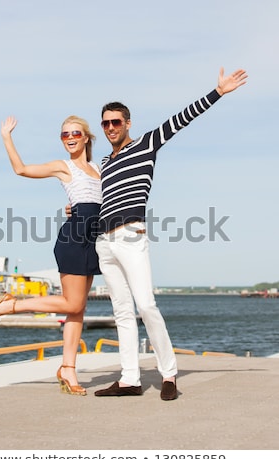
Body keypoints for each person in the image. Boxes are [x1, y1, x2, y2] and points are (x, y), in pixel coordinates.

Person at [91, 67, 248, 400]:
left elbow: (181, 119)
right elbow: (103, 197)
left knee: (146, 306)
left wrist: (217, 92)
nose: (110, 128)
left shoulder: (146, 144)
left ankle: (169, 374)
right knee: (121, 311)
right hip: (104, 241)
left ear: (127, 124)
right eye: (105, 123)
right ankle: (130, 379)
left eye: (115, 122)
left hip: (131, 236)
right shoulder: (105, 162)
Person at [0, 115, 102, 396]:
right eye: (64, 135)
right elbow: (22, 169)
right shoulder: (64, 167)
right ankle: (9, 306)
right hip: (73, 238)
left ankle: (68, 369)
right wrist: (6, 138)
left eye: (74, 132)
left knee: (78, 309)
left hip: (93, 240)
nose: (69, 137)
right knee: (72, 304)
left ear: (86, 137)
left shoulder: (99, 168)